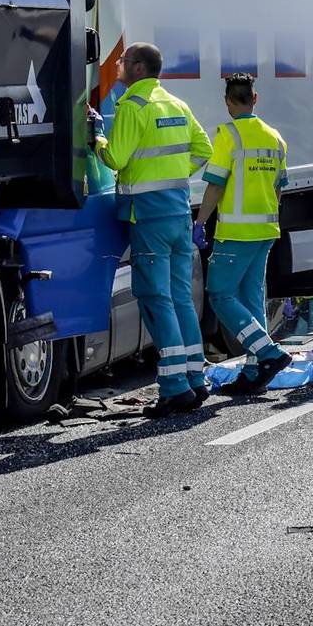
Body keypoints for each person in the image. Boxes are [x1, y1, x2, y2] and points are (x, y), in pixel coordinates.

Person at [89, 43, 213, 418]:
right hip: (177, 211)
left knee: (154, 297)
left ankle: (175, 388)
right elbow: (203, 148)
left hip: (147, 216)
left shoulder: (131, 106)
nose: (120, 65)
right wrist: (171, 176)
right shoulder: (175, 104)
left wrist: (97, 135)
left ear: (139, 68)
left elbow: (115, 158)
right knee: (179, 298)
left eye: (124, 61)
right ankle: (195, 378)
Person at [193, 74, 294, 396]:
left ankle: (268, 354)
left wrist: (201, 221)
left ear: (228, 102)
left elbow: (216, 184)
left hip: (236, 232)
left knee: (221, 294)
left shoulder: (228, 135)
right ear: (256, 98)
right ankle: (254, 373)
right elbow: (279, 188)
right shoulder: (276, 138)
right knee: (251, 298)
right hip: (266, 229)